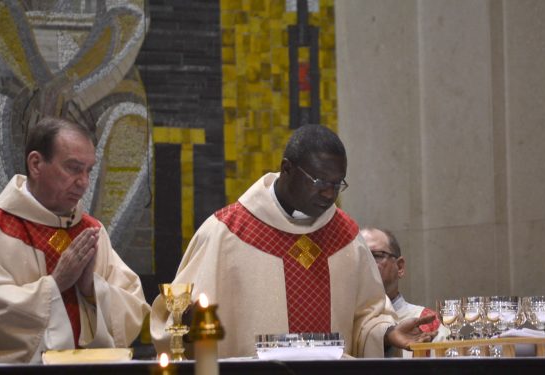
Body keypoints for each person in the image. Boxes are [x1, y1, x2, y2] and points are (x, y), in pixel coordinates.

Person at [150, 124, 436, 358]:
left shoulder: (346, 236)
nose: (329, 194)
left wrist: (386, 333)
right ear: (286, 168)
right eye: (319, 181)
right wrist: (185, 324)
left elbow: (368, 317)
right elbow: (173, 321)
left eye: (337, 184)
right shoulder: (227, 232)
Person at [0, 117, 150, 363]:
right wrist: (55, 285)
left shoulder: (92, 231)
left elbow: (132, 305)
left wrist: (92, 288)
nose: (83, 183)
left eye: (88, 170)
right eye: (73, 168)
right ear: (36, 164)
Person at [360, 227, 450, 357]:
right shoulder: (345, 323)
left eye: (376, 255)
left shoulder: (426, 322)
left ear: (400, 267)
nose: (365, 262)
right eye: (360, 256)